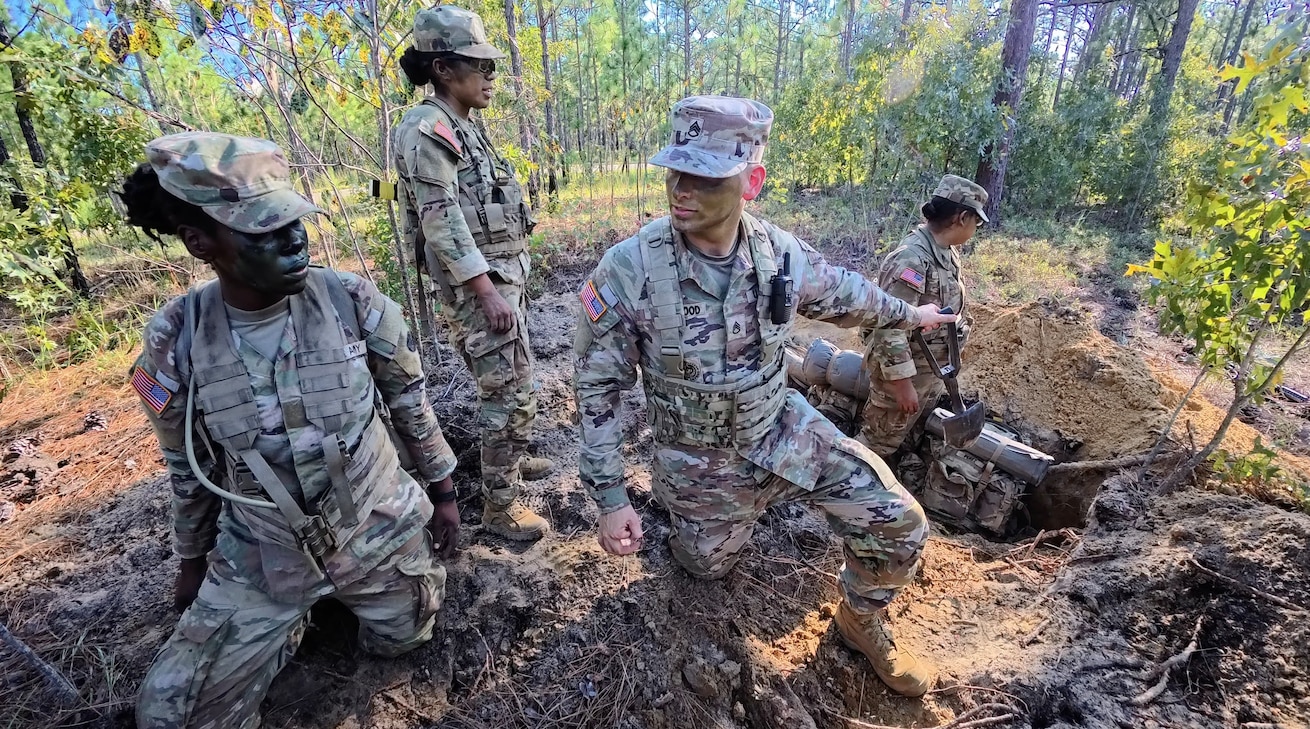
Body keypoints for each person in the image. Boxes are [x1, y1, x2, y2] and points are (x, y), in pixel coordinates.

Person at [572, 96, 958, 698]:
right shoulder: (629, 269)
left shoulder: (779, 254)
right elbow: (598, 388)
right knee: (704, 568)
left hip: (783, 430)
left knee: (900, 522)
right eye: (677, 171)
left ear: (751, 181)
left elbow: (850, 294)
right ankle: (690, 526)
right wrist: (610, 496)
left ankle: (861, 621)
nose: (682, 189)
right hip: (697, 462)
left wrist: (913, 313)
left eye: (705, 176)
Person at [124, 132, 457, 729]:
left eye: (293, 221)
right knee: (172, 716)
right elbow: (186, 467)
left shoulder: (351, 300)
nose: (294, 239)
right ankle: (293, 612)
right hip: (261, 551)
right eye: (262, 231)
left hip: (374, 528)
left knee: (409, 636)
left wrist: (444, 493)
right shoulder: (177, 337)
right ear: (202, 244)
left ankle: (339, 603)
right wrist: (193, 563)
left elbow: (410, 402)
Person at [392, 5, 551, 541]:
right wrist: (485, 291)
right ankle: (500, 508)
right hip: (481, 287)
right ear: (442, 68)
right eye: (478, 65)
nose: (489, 77)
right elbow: (441, 217)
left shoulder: (463, 126)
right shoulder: (428, 127)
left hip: (502, 277)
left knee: (515, 384)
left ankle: (508, 461)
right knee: (507, 394)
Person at [859, 175, 987, 459]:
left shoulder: (944, 253)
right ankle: (844, 493)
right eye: (976, 222)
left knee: (902, 435)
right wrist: (902, 385)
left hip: (929, 369)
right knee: (877, 443)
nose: (975, 229)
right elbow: (886, 326)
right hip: (904, 374)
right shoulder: (912, 259)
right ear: (962, 217)